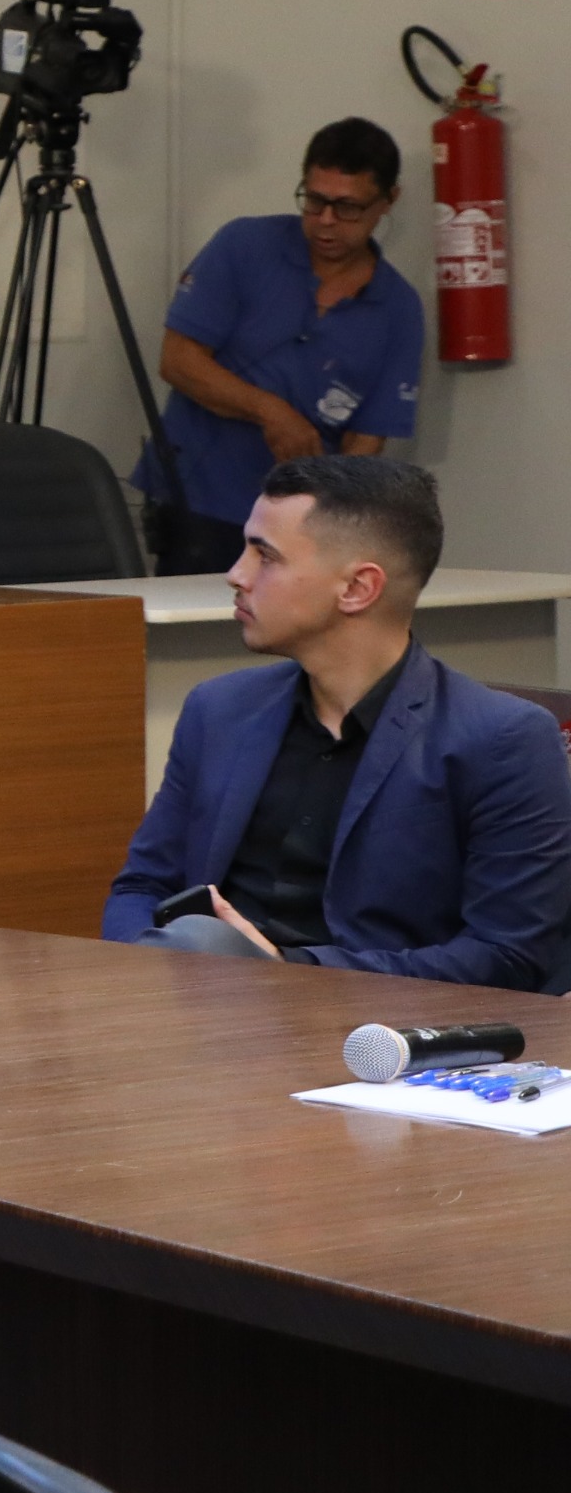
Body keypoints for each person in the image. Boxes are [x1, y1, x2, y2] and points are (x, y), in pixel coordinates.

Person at [105, 455, 570, 986]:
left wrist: (287, 972)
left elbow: (508, 957)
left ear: (357, 588)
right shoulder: (219, 709)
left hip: (378, 1024)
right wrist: (149, 975)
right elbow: (141, 888)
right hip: (204, 1003)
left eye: (265, 556)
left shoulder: (502, 739)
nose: (236, 575)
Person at [139, 119, 423, 575]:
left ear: (388, 200)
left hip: (300, 529)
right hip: (199, 500)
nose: (326, 221)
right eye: (315, 200)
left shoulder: (399, 308)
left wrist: (331, 518)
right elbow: (178, 361)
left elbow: (368, 438)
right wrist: (271, 412)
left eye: (348, 207)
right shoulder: (244, 245)